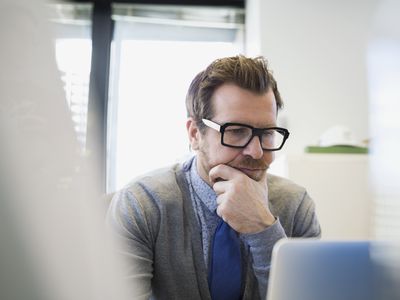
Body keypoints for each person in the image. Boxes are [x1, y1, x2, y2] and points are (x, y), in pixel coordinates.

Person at [107, 55, 321, 300]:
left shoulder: (297, 205)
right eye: (237, 132)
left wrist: (263, 229)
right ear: (195, 134)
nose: (256, 151)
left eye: (267, 133)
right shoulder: (142, 205)